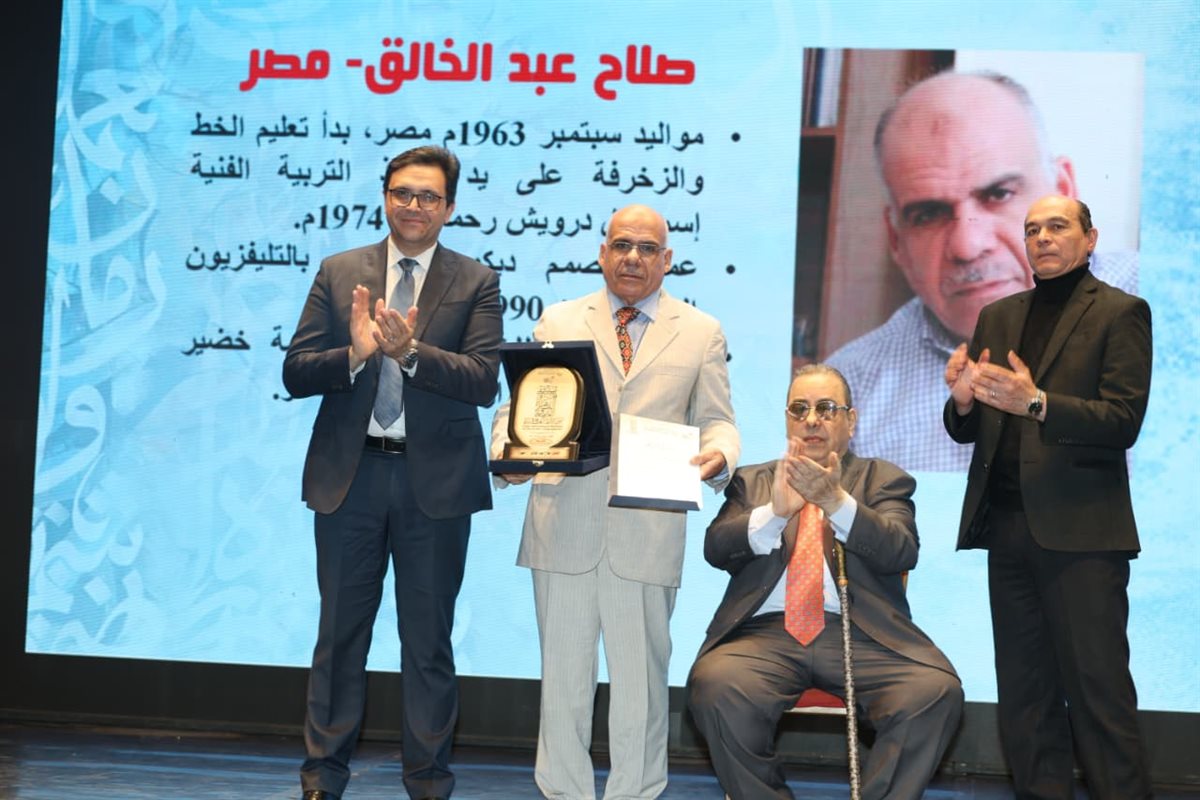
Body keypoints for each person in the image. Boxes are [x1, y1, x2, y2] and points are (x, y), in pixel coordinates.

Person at [491, 204, 739, 800]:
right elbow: (519, 408)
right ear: (602, 253)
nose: (633, 257)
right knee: (563, 684)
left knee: (642, 689)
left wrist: (720, 457)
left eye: (647, 248)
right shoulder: (559, 319)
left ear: (667, 260)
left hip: (647, 529)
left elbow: (718, 422)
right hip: (563, 525)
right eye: (622, 245)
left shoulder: (700, 331)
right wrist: (508, 452)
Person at [283, 145, 502, 800]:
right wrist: (354, 353)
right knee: (338, 637)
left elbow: (483, 381)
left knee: (428, 643)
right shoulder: (339, 272)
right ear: (385, 197)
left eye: (428, 196)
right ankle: (322, 778)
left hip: (433, 486)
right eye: (403, 192)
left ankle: (428, 781)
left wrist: (410, 354)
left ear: (449, 208)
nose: (414, 205)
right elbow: (296, 371)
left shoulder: (476, 281)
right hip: (349, 480)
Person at [944, 195, 1152, 799]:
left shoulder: (1121, 312)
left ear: (1090, 238)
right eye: (1032, 229)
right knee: (1026, 700)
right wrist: (962, 402)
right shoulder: (997, 316)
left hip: (1083, 535)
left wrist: (1036, 403)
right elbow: (973, 427)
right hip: (1006, 530)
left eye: (1057, 226)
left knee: (1099, 698)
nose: (1042, 238)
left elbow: (1122, 420)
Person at [826, 69, 1137, 472]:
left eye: (999, 194)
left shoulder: (1175, 313)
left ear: (1065, 192)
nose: (967, 246)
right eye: (928, 214)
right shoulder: (848, 389)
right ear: (896, 240)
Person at [687, 364, 963, 800]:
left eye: (826, 408)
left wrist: (836, 502)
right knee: (717, 685)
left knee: (933, 692)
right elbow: (716, 548)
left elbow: (900, 549)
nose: (812, 419)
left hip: (861, 633)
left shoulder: (882, 478)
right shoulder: (753, 481)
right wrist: (775, 513)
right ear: (787, 420)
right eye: (799, 409)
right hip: (765, 636)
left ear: (851, 421)